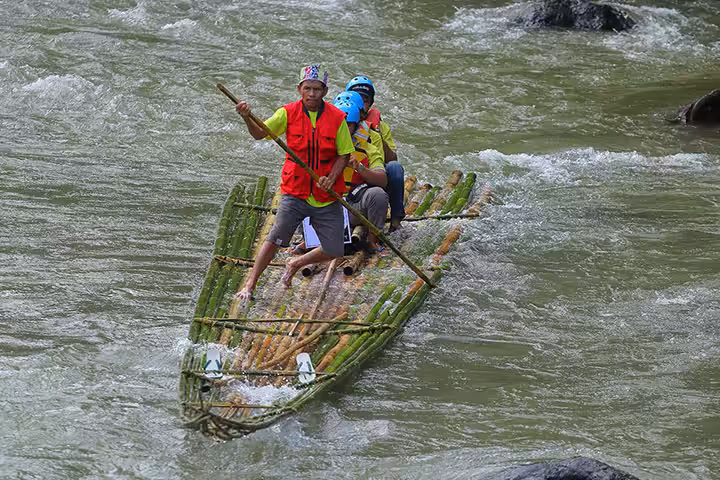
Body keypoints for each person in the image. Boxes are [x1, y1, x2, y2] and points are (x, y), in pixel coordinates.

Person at [233, 65, 354, 301]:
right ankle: (250, 283)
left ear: (325, 91)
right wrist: (247, 117)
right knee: (274, 239)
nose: (311, 94)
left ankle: (296, 262)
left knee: (335, 249)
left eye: (317, 89)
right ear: (299, 89)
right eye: (307, 88)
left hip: (325, 193)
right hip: (295, 191)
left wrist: (331, 178)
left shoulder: (338, 118)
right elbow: (259, 134)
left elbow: (344, 154)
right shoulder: (287, 113)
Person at [345, 75, 405, 231]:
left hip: (373, 175)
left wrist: (376, 133)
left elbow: (392, 158)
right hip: (348, 182)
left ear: (370, 103)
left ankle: (396, 219)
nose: (361, 105)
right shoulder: (339, 124)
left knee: (394, 167)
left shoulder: (380, 127)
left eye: (365, 101)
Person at [334, 100, 388, 252]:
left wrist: (361, 168)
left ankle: (373, 239)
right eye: (340, 124)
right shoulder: (321, 145)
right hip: (327, 205)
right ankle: (308, 241)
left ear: (357, 126)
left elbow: (383, 180)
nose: (344, 129)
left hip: (354, 205)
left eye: (349, 125)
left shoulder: (368, 148)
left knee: (378, 194)